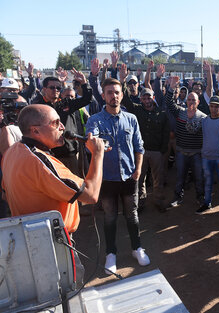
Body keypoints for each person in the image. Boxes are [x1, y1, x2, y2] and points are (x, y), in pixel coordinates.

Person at [2, 104, 104, 233]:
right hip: (51, 239)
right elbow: (91, 195)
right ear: (35, 131)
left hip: (28, 235)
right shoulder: (40, 162)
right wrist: (97, 154)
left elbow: (5, 196)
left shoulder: (12, 151)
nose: (62, 127)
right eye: (55, 123)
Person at [86, 78, 149, 275]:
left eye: (117, 92)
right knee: (110, 217)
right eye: (110, 92)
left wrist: (138, 170)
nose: (114, 96)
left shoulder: (131, 119)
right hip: (106, 179)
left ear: (122, 95)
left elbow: (139, 146)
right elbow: (91, 140)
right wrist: (93, 142)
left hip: (129, 176)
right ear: (103, 95)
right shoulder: (95, 120)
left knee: (132, 215)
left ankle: (137, 248)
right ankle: (111, 254)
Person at [166, 63, 211, 208]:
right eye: (189, 100)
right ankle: (177, 197)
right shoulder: (180, 112)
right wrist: (172, 88)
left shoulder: (203, 117)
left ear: (198, 102)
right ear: (186, 101)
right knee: (180, 178)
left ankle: (200, 197)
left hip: (197, 153)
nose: (191, 102)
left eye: (194, 100)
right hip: (181, 152)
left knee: (199, 178)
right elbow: (169, 102)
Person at [121, 85, 170, 212]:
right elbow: (125, 99)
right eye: (144, 98)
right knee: (139, 178)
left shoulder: (161, 113)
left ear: (153, 98)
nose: (147, 100)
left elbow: (166, 133)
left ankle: (158, 200)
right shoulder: (136, 110)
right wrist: (122, 80)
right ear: (141, 99)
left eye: (149, 97)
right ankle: (141, 203)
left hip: (156, 151)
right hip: (140, 152)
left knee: (158, 178)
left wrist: (162, 150)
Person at [186, 95, 219, 217]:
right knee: (207, 182)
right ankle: (207, 203)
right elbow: (191, 130)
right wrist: (190, 118)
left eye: (216, 107)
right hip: (206, 158)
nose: (213, 109)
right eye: (211, 106)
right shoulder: (204, 120)